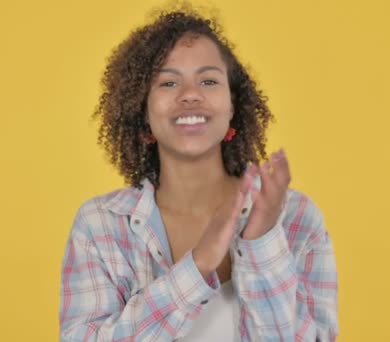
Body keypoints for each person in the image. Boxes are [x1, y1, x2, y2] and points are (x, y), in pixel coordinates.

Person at [59, 6, 338, 342]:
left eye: (208, 80)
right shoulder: (100, 225)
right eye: (168, 82)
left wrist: (262, 242)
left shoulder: (296, 218)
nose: (190, 94)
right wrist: (198, 265)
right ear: (143, 113)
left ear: (232, 106)